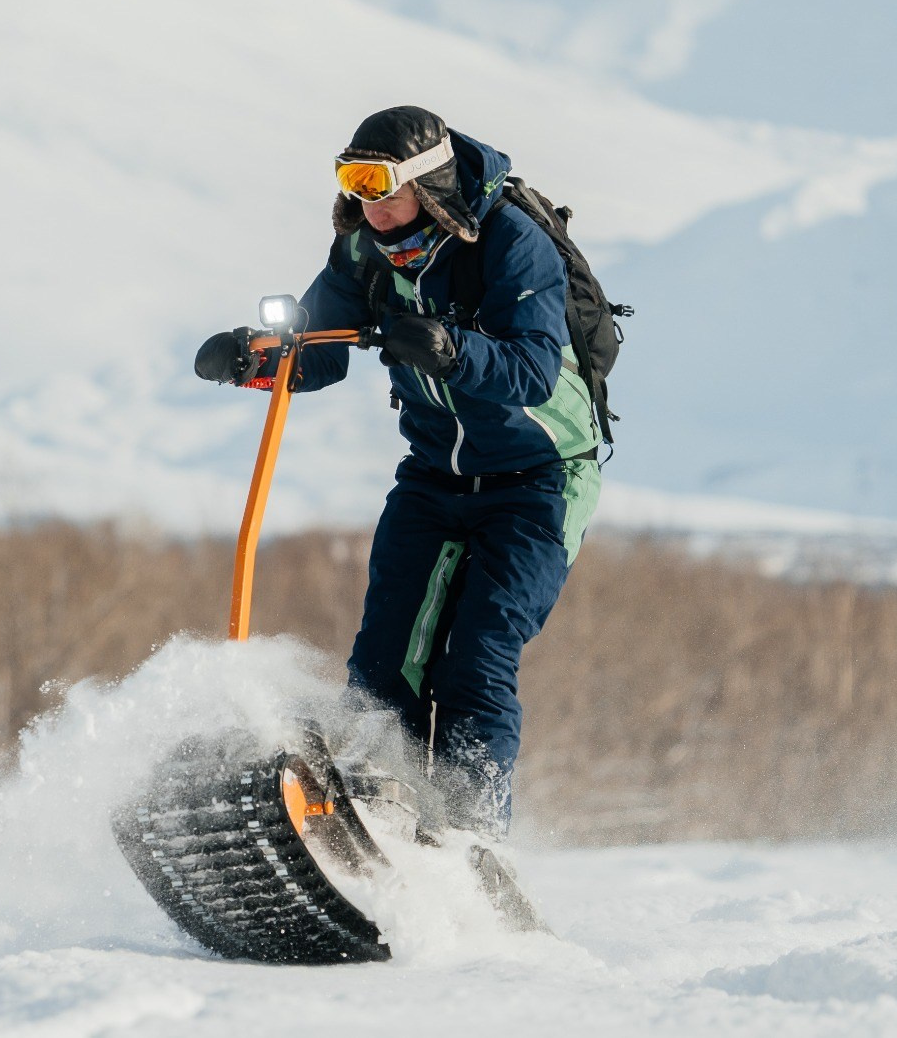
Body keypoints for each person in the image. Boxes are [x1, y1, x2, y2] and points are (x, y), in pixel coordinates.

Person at [194, 105, 601, 841]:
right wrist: (255, 361)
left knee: (474, 661)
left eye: (382, 187)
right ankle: (382, 809)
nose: (369, 206)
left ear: (432, 185)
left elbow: (535, 372)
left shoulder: (510, 241)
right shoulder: (363, 249)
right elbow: (317, 351)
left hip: (540, 479)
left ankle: (471, 835)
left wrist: (451, 350)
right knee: (384, 662)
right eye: (354, 186)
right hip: (432, 477)